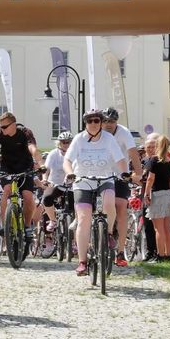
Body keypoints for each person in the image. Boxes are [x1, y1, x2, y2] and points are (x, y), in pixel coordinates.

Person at [64, 109, 128, 276]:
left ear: (101, 123)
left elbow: (120, 159)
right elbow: (67, 160)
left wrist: (124, 173)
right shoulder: (79, 139)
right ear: (85, 123)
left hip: (104, 179)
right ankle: (82, 262)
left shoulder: (108, 139)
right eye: (90, 121)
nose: (93, 124)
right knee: (84, 219)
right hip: (82, 182)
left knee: (108, 204)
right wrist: (69, 172)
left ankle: (107, 234)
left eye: (96, 121)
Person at [0, 112, 44, 241]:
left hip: (25, 167)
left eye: (5, 127)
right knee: (6, 191)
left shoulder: (25, 132)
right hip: (8, 167)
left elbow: (33, 148)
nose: (2, 129)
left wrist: (41, 164)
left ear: (14, 125)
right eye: (1, 126)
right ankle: (4, 224)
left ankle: (27, 226)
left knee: (28, 196)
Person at [101, 107, 143, 267]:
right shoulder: (97, 131)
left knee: (121, 208)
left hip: (120, 175)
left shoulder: (124, 132)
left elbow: (133, 153)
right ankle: (95, 238)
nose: (108, 125)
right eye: (105, 121)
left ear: (116, 122)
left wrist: (138, 174)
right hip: (100, 175)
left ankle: (120, 252)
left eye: (112, 121)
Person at [143, 135, 170, 262]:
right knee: (167, 226)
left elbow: (150, 179)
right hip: (168, 194)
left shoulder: (154, 160)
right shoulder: (169, 160)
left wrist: (147, 194)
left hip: (157, 194)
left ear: (158, 146)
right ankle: (168, 255)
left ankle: (160, 256)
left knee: (158, 228)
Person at [41, 131, 74, 232]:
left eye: (68, 142)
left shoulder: (76, 153)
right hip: (55, 184)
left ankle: (73, 242)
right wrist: (45, 179)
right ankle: (53, 220)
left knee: (76, 207)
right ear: (59, 143)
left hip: (72, 186)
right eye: (64, 142)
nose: (66, 144)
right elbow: (46, 169)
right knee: (46, 198)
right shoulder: (53, 154)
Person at [141, 138, 158, 261]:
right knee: (147, 224)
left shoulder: (158, 160)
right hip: (144, 194)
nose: (151, 149)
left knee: (156, 225)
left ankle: (156, 251)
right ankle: (150, 250)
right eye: (148, 147)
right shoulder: (143, 161)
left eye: (153, 146)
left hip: (155, 194)